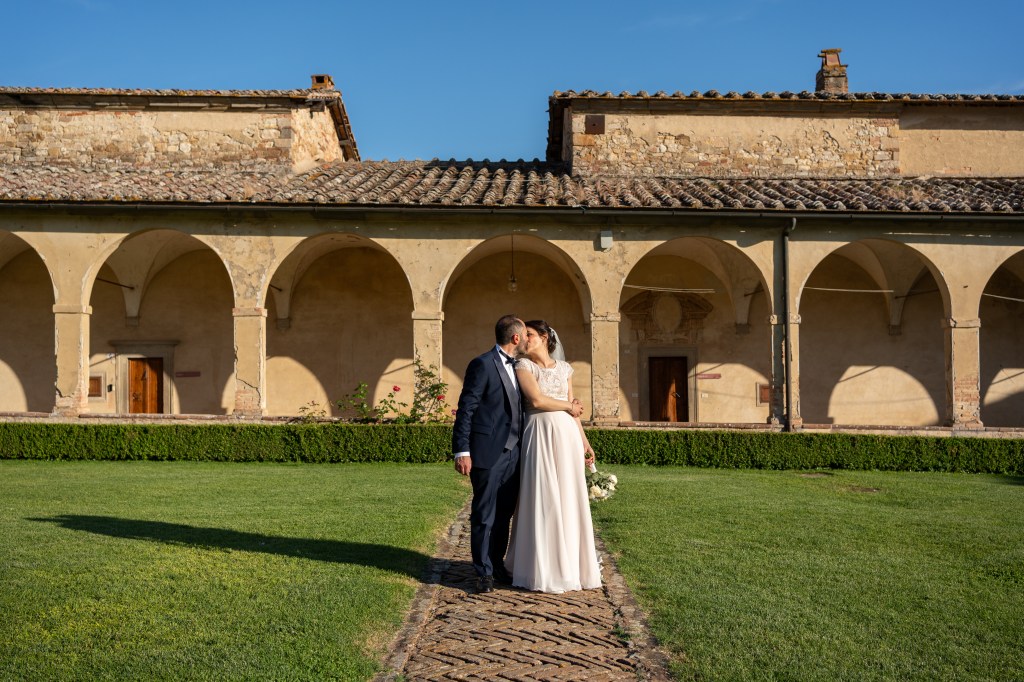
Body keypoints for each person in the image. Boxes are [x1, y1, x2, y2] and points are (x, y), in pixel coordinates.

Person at [505, 319, 602, 593]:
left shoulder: (565, 369)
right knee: (542, 493)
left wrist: (584, 442)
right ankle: (540, 567)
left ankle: (571, 566)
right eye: (524, 335)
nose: (525, 339)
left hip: (567, 436)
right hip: (539, 433)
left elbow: (575, 413)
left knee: (569, 496)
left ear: (545, 337)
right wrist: (569, 406)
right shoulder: (523, 366)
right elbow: (536, 400)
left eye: (530, 335)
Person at [452, 315, 537, 594]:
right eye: (525, 335)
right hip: (487, 452)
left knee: (504, 515)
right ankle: (483, 572)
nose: (527, 340)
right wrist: (462, 450)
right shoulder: (482, 364)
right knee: (484, 514)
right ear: (515, 338)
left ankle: (497, 564)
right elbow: (466, 408)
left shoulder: (522, 367)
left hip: (516, 453)